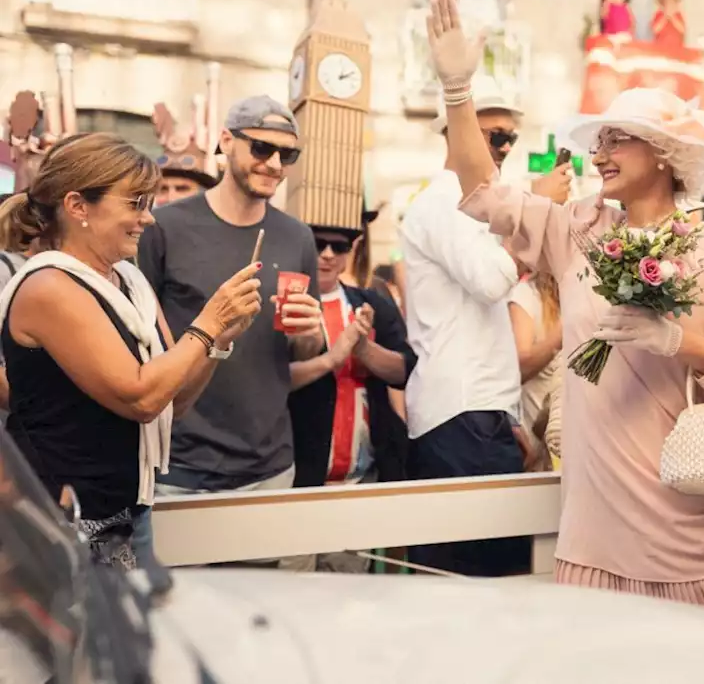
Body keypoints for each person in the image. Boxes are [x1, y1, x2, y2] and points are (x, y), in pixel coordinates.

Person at [423, 0, 704, 635]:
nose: (598, 153)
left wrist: (676, 339)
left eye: (617, 139)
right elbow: (485, 194)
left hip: (692, 525)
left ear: (666, 152)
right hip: (594, 526)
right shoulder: (576, 231)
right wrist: (457, 88)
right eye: (599, 139)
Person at [0, 133, 261, 567]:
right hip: (59, 517)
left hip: (127, 510)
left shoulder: (131, 282)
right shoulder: (48, 286)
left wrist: (220, 339)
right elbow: (140, 397)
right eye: (135, 204)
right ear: (78, 206)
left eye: (149, 204)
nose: (149, 219)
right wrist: (209, 321)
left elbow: (171, 401)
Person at [136, 96, 324, 551]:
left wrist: (312, 334)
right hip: (177, 467)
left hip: (269, 469)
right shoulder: (164, 227)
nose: (275, 163)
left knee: (260, 615)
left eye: (288, 154)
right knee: (179, 615)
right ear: (225, 142)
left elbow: (301, 352)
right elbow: (139, 344)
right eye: (261, 148)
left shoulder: (297, 237)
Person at [399, 72, 569, 576]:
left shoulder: (474, 202)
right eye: (493, 136)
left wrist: (509, 415)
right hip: (461, 417)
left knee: (494, 578)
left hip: (479, 413)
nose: (502, 148)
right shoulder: (443, 199)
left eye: (509, 138)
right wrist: (536, 211)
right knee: (472, 584)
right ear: (456, 131)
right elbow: (494, 281)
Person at [286, 219, 414, 571]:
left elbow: (405, 370)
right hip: (293, 482)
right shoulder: (286, 302)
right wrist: (332, 357)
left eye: (338, 246)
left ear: (350, 252)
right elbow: (268, 379)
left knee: (348, 606)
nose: (327, 254)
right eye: (318, 243)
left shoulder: (371, 302)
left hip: (358, 482)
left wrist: (363, 350)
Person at [507, 270, 563, 471]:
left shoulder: (590, 293)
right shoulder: (527, 295)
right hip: (538, 446)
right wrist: (560, 335)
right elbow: (519, 368)